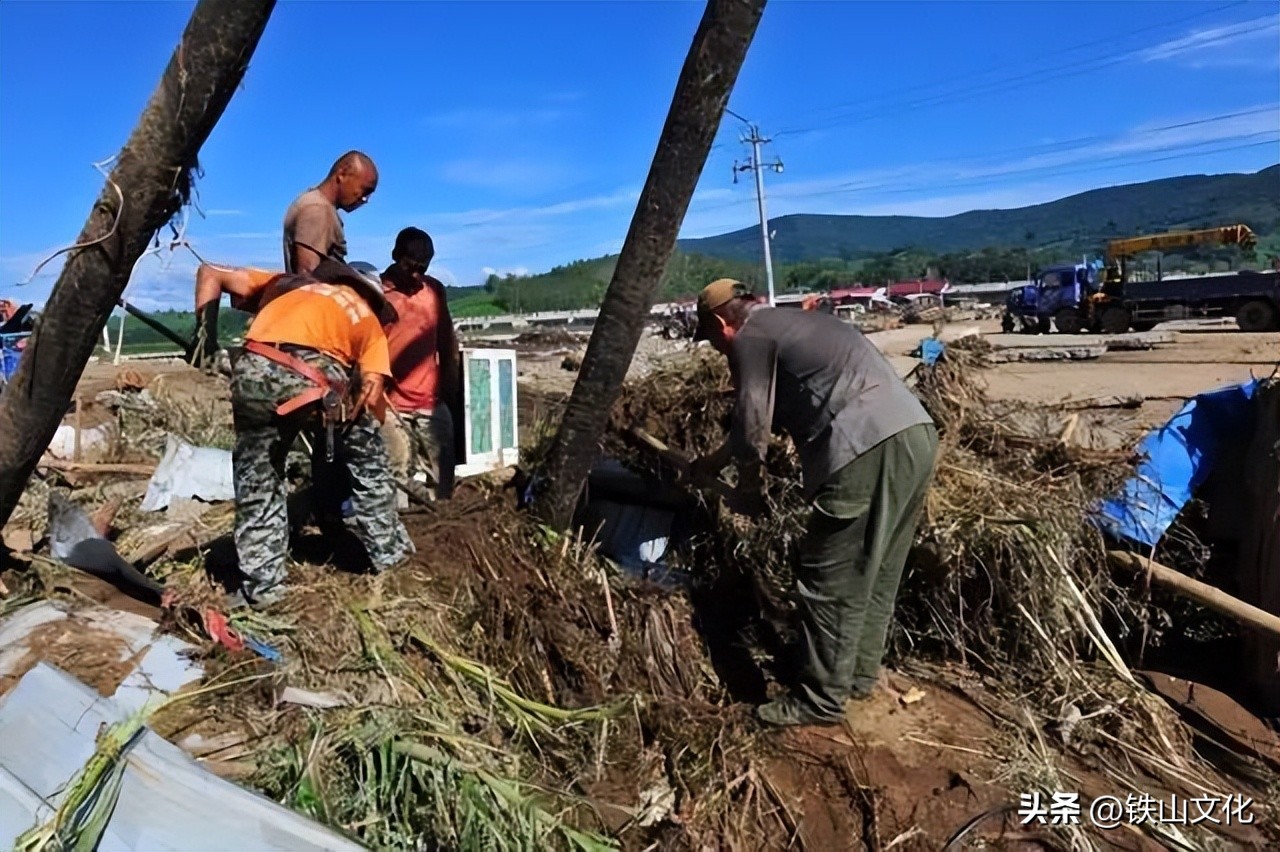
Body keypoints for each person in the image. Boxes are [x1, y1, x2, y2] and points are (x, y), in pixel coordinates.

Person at [688, 278, 939, 727]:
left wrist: (747, 489)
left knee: (831, 576)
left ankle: (820, 699)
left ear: (723, 325)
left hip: (862, 445)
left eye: (710, 340)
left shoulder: (749, 338)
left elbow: (751, 427)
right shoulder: (793, 324)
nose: (716, 350)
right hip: (913, 434)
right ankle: (858, 677)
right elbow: (759, 421)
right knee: (876, 571)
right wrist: (711, 463)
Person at [194, 258, 414, 607]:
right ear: (370, 296)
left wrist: (203, 344)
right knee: (371, 465)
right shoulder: (367, 319)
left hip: (251, 367)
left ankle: (264, 588)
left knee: (259, 479)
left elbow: (210, 274)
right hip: (317, 376)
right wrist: (360, 438)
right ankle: (390, 555)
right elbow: (371, 396)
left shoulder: (286, 285)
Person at [378, 226, 460, 504]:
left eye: (422, 269)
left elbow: (447, 342)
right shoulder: (377, 294)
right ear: (395, 256)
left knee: (443, 476)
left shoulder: (434, 290)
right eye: (410, 267)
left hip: (429, 400)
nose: (415, 276)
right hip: (389, 404)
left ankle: (442, 529)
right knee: (395, 474)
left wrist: (451, 390)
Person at [282, 151, 379, 275]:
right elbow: (308, 274)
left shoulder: (315, 204)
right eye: (365, 190)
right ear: (342, 174)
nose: (365, 199)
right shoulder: (317, 209)